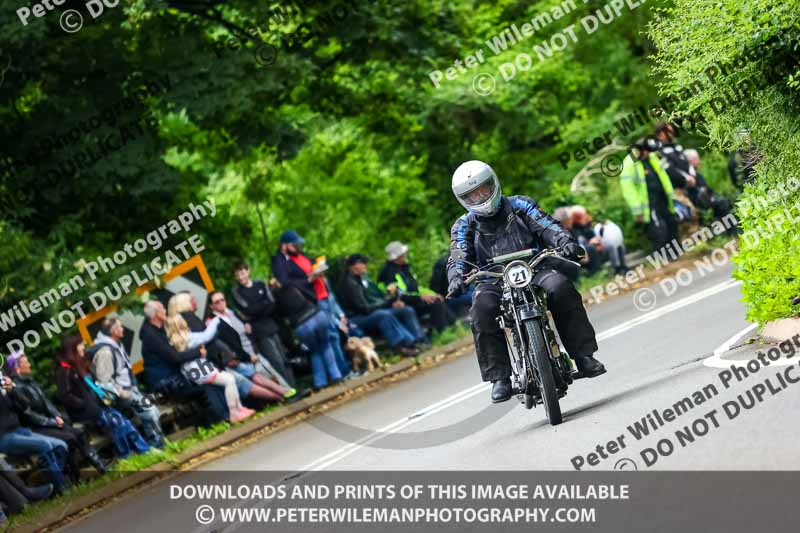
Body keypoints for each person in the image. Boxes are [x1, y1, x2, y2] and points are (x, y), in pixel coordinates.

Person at [445, 160, 606, 403]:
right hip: (493, 279)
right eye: (473, 194)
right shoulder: (464, 225)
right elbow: (458, 255)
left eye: (484, 189)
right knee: (481, 308)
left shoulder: (520, 205)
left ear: (494, 184)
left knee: (561, 288)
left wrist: (565, 242)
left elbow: (548, 225)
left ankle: (583, 356)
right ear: (463, 199)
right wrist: (456, 277)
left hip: (535, 268)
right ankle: (500, 377)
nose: (480, 196)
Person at [166, 294, 292, 407]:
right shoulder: (189, 319)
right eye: (191, 300)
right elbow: (205, 338)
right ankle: (283, 395)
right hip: (218, 359)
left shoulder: (190, 319)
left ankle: (284, 394)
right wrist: (215, 325)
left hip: (221, 357)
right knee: (245, 382)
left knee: (249, 376)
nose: (195, 301)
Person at [6, 351, 106, 483]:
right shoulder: (16, 388)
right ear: (17, 368)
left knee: (78, 432)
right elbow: (28, 414)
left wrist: (57, 416)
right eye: (26, 362)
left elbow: (46, 403)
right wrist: (52, 422)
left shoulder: (30, 381)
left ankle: (97, 465)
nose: (29, 364)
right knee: (69, 438)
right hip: (35, 427)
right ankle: (76, 477)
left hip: (49, 422)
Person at [271, 231, 353, 378]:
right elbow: (286, 282)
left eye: (298, 244)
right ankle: (341, 372)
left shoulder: (300, 256)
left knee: (331, 336)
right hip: (312, 302)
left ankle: (331, 376)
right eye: (295, 244)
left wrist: (318, 268)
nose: (298, 246)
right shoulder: (282, 261)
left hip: (325, 294)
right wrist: (308, 279)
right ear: (285, 246)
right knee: (329, 338)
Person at [56, 335, 151, 458]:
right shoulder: (65, 371)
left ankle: (143, 450)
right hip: (86, 413)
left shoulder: (82, 364)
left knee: (123, 422)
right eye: (80, 344)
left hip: (98, 406)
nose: (83, 347)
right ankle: (127, 455)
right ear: (73, 348)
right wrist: (85, 404)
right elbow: (65, 396)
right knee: (115, 422)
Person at [139, 300, 229, 424]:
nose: (165, 310)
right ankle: (221, 419)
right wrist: (198, 352)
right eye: (162, 309)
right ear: (155, 315)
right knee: (206, 386)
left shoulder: (160, 329)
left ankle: (226, 415)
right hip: (166, 382)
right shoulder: (152, 336)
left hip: (177, 376)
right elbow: (175, 358)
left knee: (211, 379)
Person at [164, 313, 255, 423]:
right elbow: (206, 335)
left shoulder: (172, 342)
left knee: (229, 380)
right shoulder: (188, 337)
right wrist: (215, 321)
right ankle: (234, 412)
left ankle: (239, 409)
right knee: (229, 380)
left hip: (192, 371)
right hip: (201, 368)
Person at [90, 317, 165, 448]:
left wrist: (134, 386)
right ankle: (155, 445)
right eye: (120, 327)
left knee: (152, 410)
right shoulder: (105, 352)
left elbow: (126, 368)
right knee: (150, 411)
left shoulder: (117, 344)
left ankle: (157, 443)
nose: (123, 329)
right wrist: (123, 393)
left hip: (130, 389)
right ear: (113, 331)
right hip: (119, 395)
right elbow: (104, 382)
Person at [337, 254, 424, 357]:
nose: (366, 266)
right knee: (383, 315)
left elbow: (373, 300)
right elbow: (364, 309)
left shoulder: (360, 278)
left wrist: (390, 302)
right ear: (355, 266)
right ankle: (401, 346)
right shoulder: (349, 284)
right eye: (363, 263)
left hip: (368, 312)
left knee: (405, 310)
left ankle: (418, 340)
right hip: (355, 319)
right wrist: (387, 303)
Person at [207, 290, 294, 389]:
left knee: (272, 373)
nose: (221, 303)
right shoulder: (215, 323)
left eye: (222, 300)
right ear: (211, 306)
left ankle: (290, 392)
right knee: (266, 380)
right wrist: (247, 358)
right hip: (243, 358)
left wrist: (246, 324)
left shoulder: (232, 312)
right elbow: (229, 344)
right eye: (217, 302)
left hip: (253, 350)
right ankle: (287, 394)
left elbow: (244, 322)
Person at [231, 261, 296, 387]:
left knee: (284, 359)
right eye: (237, 275)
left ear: (248, 271)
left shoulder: (260, 284)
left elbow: (272, 303)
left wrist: (257, 310)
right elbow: (248, 310)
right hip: (259, 331)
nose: (240, 277)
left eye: (242, 273)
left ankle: (293, 387)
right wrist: (262, 305)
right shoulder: (237, 292)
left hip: (272, 326)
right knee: (276, 361)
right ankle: (288, 390)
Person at [0, 374, 68, 492]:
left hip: (19, 430)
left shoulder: (5, 388)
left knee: (61, 446)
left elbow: (25, 406)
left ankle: (49, 476)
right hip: (4, 437)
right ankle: (61, 487)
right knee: (45, 445)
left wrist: (13, 390)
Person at [273, 280, 343, 389]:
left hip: (302, 325)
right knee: (326, 345)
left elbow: (281, 317)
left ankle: (320, 382)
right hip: (317, 316)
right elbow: (311, 295)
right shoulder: (295, 285)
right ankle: (336, 375)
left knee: (314, 351)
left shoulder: (276, 300)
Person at [377, 241, 456, 333]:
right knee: (435, 302)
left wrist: (432, 294)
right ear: (398, 256)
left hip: (414, 300)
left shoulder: (403, 268)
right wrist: (420, 298)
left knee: (436, 299)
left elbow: (416, 288)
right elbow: (398, 295)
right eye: (403, 253)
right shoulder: (388, 273)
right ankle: (442, 332)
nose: (405, 255)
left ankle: (452, 328)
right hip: (404, 304)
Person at [619, 137, 678, 255]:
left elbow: (663, 176)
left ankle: (675, 253)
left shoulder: (652, 157)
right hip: (647, 203)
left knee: (671, 222)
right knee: (658, 229)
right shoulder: (629, 164)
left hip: (663, 198)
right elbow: (628, 190)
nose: (648, 152)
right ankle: (661, 258)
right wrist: (637, 211)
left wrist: (671, 194)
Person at [684, 149, 736, 232]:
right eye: (697, 159)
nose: (699, 161)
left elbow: (707, 189)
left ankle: (731, 231)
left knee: (725, 202)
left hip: (707, 199)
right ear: (691, 161)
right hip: (699, 203)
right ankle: (731, 232)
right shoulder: (689, 177)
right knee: (723, 204)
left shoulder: (696, 174)